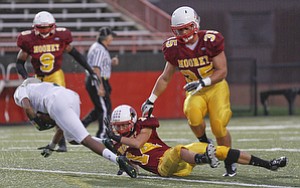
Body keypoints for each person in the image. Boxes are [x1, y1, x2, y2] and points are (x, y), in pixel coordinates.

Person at [141, 6, 235, 176]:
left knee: (219, 126)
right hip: (194, 91)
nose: (183, 32)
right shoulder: (173, 48)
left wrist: (203, 81)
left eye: (186, 28)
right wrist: (151, 99)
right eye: (179, 30)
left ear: (195, 25)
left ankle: (229, 161)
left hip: (215, 88)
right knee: (192, 114)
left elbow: (222, 71)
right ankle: (204, 141)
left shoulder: (210, 40)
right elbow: (165, 77)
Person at [106, 104, 287, 177]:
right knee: (177, 150)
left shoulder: (144, 125)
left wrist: (115, 138)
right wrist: (123, 164)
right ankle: (204, 159)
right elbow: (134, 165)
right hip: (164, 168)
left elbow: (137, 143)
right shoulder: (117, 145)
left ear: (133, 120)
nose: (120, 129)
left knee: (221, 150)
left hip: (182, 158)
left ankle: (268, 164)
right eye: (118, 126)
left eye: (123, 125)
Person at [13, 78, 137, 178]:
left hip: (57, 101)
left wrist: (36, 122)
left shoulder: (21, 90)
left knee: (85, 139)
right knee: (72, 138)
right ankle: (105, 142)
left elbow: (27, 107)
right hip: (71, 96)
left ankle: (118, 160)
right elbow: (62, 128)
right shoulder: (43, 90)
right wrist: (51, 147)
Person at [15, 11, 100, 152]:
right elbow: (19, 63)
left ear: (53, 26)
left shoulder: (61, 37)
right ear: (35, 27)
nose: (45, 31)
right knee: (45, 112)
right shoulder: (28, 40)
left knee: (58, 109)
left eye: (47, 27)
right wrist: (27, 78)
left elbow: (75, 54)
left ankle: (62, 143)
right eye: (41, 28)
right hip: (38, 78)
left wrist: (90, 70)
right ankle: (59, 141)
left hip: (55, 76)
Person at [81, 27, 119, 139]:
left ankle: (80, 126)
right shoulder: (99, 49)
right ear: (106, 38)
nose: (112, 38)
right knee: (104, 109)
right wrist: (100, 86)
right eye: (111, 36)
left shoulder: (99, 47)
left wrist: (111, 62)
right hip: (97, 81)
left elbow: (99, 65)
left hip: (97, 80)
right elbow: (96, 69)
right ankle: (102, 135)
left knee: (99, 108)